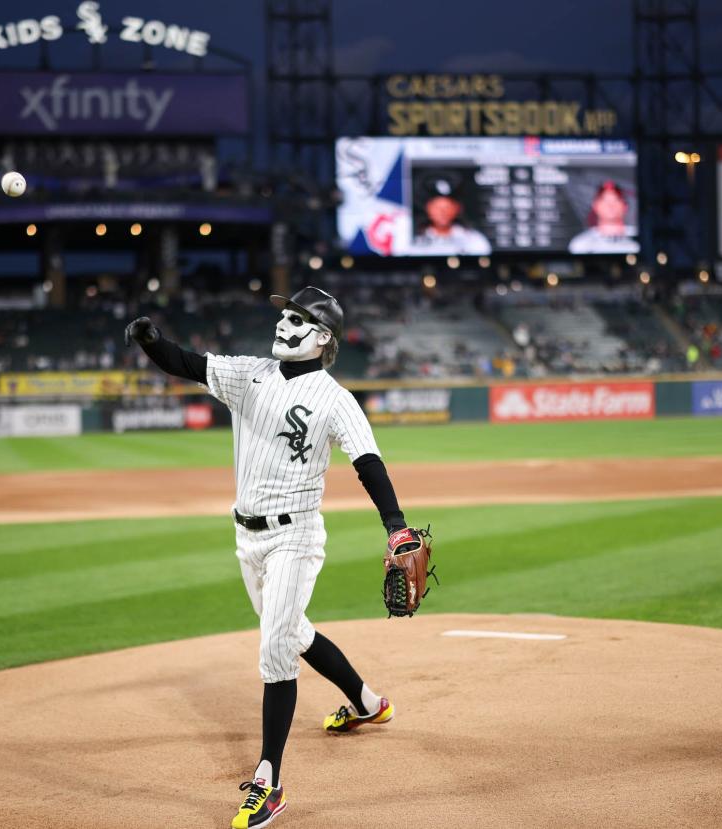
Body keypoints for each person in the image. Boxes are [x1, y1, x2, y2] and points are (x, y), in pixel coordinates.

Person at [124, 286, 412, 829]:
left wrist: (394, 525)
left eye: (298, 317)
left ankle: (269, 781)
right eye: (283, 313)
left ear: (323, 336)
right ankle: (369, 703)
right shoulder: (250, 374)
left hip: (295, 537)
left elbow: (367, 461)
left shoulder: (335, 399)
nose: (284, 322)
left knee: (275, 646)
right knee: (294, 631)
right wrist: (151, 340)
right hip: (247, 539)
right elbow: (186, 363)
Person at [410, 175, 491, 255]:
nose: (442, 213)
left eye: (447, 208)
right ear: (428, 209)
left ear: (457, 209)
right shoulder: (413, 238)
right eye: (438, 208)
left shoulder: (472, 239)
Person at [568, 179, 639, 254]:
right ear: (595, 205)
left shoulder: (638, 242)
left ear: (625, 206)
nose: (610, 206)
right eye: (605, 200)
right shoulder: (581, 245)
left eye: (615, 200)